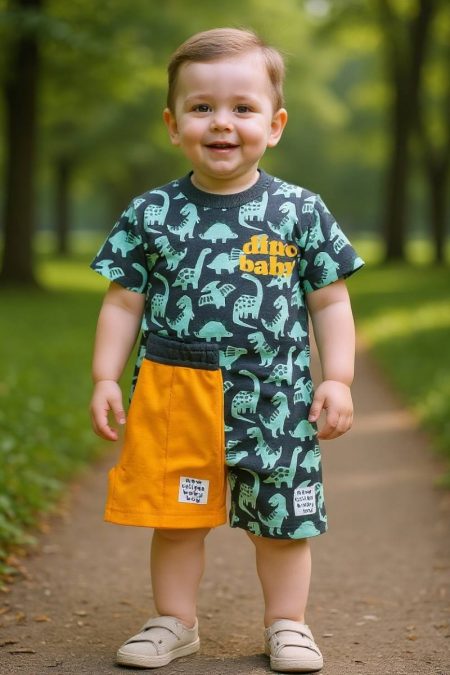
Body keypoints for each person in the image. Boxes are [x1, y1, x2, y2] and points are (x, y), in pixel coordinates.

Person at [90, 27, 364, 673]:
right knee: (177, 519)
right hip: (177, 395)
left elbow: (330, 302)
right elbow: (123, 301)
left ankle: (288, 623)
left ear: (275, 125)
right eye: (201, 107)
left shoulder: (300, 211)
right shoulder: (151, 213)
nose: (222, 122)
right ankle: (174, 620)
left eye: (243, 107)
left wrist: (339, 377)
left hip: (277, 399)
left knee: (281, 523)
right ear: (173, 124)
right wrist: (104, 376)